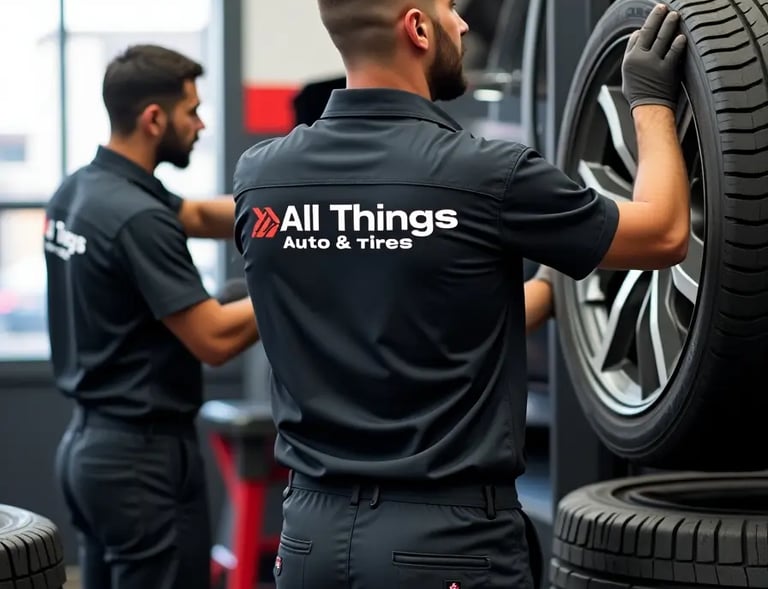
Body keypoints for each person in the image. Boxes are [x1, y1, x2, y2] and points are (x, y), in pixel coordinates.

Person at [233, 1, 688, 587]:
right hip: (444, 544)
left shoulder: (261, 179)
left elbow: (432, 317)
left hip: (307, 543)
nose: (465, 23)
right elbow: (665, 233)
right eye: (451, 9)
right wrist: (649, 102)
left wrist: (550, 287)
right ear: (418, 28)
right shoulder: (485, 175)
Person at [45, 44, 259, 589]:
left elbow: (197, 215)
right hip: (141, 462)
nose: (201, 125)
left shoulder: (81, 190)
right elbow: (213, 339)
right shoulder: (137, 218)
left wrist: (296, 210)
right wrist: (294, 287)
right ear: (154, 118)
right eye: (192, 111)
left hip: (90, 452)